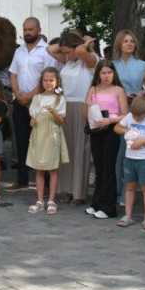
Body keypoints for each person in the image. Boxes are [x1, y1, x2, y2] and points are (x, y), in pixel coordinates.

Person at [8, 17, 59, 192]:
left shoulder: (47, 51)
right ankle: (22, 179)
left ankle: (44, 185)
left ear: (38, 29)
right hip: (20, 102)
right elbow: (12, 74)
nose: (27, 32)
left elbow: (48, 76)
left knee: (41, 142)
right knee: (21, 142)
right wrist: (17, 93)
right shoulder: (19, 51)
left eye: (30, 29)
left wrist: (30, 95)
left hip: (40, 102)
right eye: (25, 29)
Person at [47, 31, 98, 204]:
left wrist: (83, 44)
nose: (66, 55)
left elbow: (82, 53)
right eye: (65, 52)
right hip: (65, 106)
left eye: (69, 51)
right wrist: (68, 45)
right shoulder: (67, 62)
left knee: (81, 150)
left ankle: (79, 192)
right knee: (65, 150)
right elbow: (50, 48)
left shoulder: (90, 60)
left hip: (82, 107)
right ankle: (65, 189)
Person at [112, 30, 145, 209]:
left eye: (132, 41)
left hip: (137, 110)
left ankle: (129, 191)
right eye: (125, 41)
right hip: (118, 109)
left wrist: (143, 94)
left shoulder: (143, 65)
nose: (129, 44)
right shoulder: (112, 65)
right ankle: (118, 191)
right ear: (119, 44)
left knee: (132, 151)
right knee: (119, 155)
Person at [85, 60, 128, 220]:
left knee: (109, 167)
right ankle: (97, 202)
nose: (106, 76)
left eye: (109, 72)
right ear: (98, 74)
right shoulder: (93, 89)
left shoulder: (118, 90)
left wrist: (109, 120)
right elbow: (87, 108)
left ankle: (109, 207)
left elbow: (125, 113)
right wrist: (94, 119)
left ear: (114, 73)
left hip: (111, 130)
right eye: (103, 73)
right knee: (99, 166)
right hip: (96, 129)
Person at [113, 95, 145, 229]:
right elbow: (117, 128)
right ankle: (128, 215)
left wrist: (143, 141)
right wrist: (127, 130)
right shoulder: (130, 117)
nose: (135, 118)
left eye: (138, 116)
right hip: (129, 158)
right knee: (129, 186)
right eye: (134, 115)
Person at [26, 67, 69, 214]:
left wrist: (53, 112)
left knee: (52, 169)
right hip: (39, 135)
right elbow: (32, 119)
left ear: (57, 82)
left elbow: (61, 121)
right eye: (45, 80)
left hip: (52, 136)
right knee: (39, 169)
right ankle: (39, 200)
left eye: (51, 80)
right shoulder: (37, 98)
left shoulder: (60, 99)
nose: (48, 82)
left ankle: (51, 200)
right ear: (41, 81)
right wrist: (33, 121)